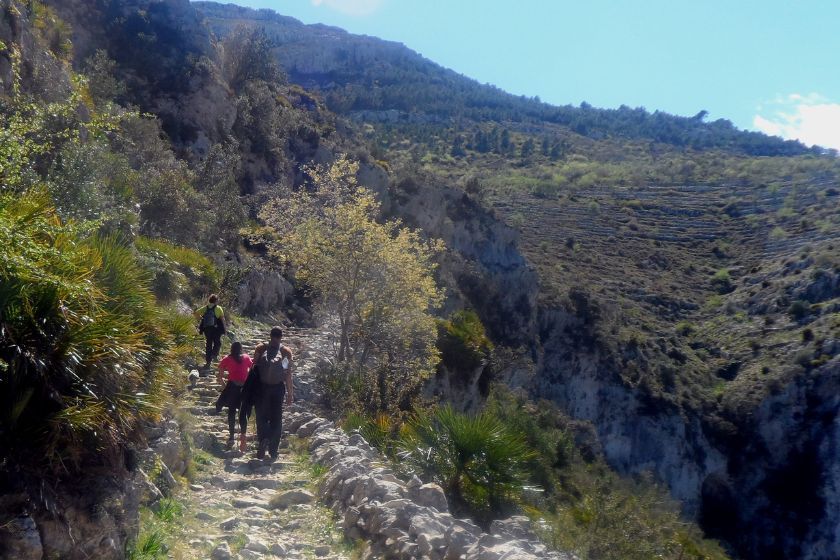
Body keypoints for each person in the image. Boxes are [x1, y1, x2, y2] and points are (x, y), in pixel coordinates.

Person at [247, 326, 294, 460]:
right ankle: (273, 451)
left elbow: (253, 368)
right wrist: (290, 394)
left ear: (270, 335)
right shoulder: (286, 352)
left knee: (261, 417)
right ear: (281, 337)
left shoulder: (260, 348)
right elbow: (288, 374)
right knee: (276, 419)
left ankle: (263, 440)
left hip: (261, 388)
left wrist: (248, 389)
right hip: (277, 389)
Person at [215, 341, 253, 446]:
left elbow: (220, 376)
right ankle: (243, 434)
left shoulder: (227, 359)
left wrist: (224, 386)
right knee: (244, 411)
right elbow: (252, 368)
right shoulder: (246, 357)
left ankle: (231, 435)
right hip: (244, 388)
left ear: (231, 349)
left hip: (232, 387)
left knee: (231, 411)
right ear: (241, 349)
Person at [195, 294, 226, 369]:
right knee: (217, 343)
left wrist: (201, 319)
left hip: (207, 329)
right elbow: (222, 319)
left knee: (208, 343)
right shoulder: (218, 308)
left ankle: (208, 362)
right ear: (216, 301)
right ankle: (214, 354)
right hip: (216, 329)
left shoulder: (205, 308)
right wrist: (224, 328)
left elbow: (196, 313)